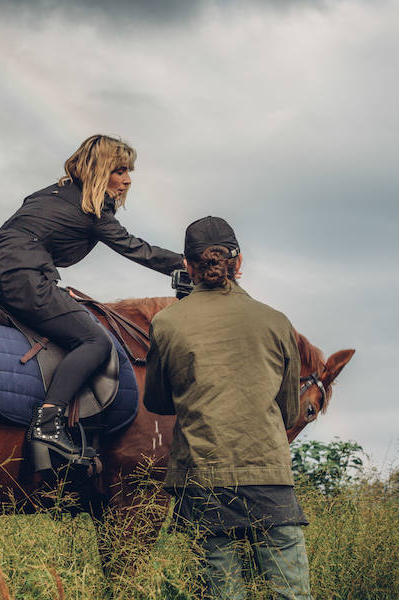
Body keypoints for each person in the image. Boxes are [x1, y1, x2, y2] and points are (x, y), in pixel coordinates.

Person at [0, 134, 184, 469]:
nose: (127, 179)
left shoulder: (47, 194)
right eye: (119, 170)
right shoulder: (93, 206)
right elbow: (134, 247)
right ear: (100, 170)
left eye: (129, 171)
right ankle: (48, 421)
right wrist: (186, 264)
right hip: (23, 274)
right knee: (94, 340)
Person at [143, 216, 312, 600]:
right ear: (239, 263)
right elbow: (288, 412)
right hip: (269, 478)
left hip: (202, 480)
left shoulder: (167, 323)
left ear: (187, 266)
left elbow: (155, 401)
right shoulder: (277, 322)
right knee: (291, 594)